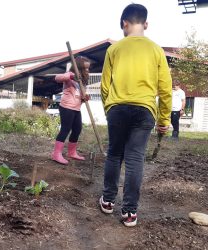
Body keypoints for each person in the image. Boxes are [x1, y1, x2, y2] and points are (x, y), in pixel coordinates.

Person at [99, 3, 172, 227]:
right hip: (144, 110)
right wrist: (164, 120)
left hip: (117, 108)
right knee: (134, 158)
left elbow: (104, 86)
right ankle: (130, 212)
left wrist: (109, 109)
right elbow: (165, 89)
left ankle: (108, 201)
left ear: (124, 23)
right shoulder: (156, 50)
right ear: (146, 24)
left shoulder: (114, 49)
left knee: (114, 154)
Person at [51, 56, 90, 165]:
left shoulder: (83, 81)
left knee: (77, 129)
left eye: (88, 68)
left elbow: (80, 96)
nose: (87, 70)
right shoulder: (69, 76)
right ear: (79, 68)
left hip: (76, 108)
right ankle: (56, 154)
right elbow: (57, 78)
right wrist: (71, 76)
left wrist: (84, 98)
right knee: (65, 129)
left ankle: (71, 152)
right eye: (85, 68)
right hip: (66, 107)